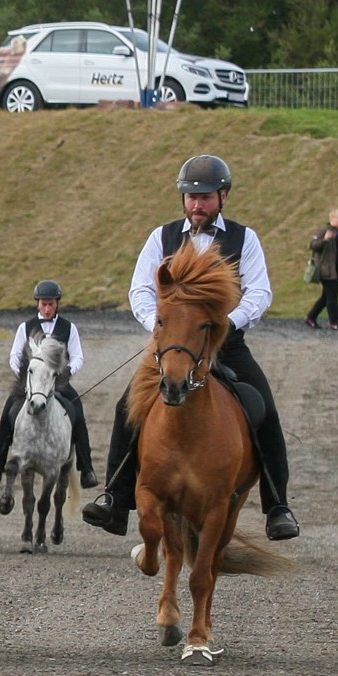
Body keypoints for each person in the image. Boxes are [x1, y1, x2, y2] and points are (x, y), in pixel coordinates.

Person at [82, 155, 299, 540]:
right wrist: (163, 328)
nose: (197, 204)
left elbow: (260, 291)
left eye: (206, 197)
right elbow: (140, 290)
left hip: (224, 345)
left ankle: (277, 505)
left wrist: (228, 323)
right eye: (190, 197)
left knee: (264, 410)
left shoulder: (243, 238)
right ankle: (115, 499)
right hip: (171, 347)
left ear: (223, 196)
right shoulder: (160, 237)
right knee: (125, 407)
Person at [0, 281, 96, 489]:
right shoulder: (26, 327)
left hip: (58, 383)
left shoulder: (69, 328)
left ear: (57, 304)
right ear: (37, 304)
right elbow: (14, 356)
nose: (47, 309)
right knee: (7, 414)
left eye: (50, 304)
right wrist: (25, 377)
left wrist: (66, 372)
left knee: (78, 413)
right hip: (30, 383)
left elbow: (77, 357)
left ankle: (87, 469)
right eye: (43, 304)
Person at [307, 208, 338, 330]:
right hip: (327, 270)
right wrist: (325, 239)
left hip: (336, 270)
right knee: (332, 297)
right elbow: (313, 245)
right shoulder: (325, 230)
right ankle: (334, 322)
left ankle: (311, 317)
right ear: (332, 218)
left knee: (326, 297)